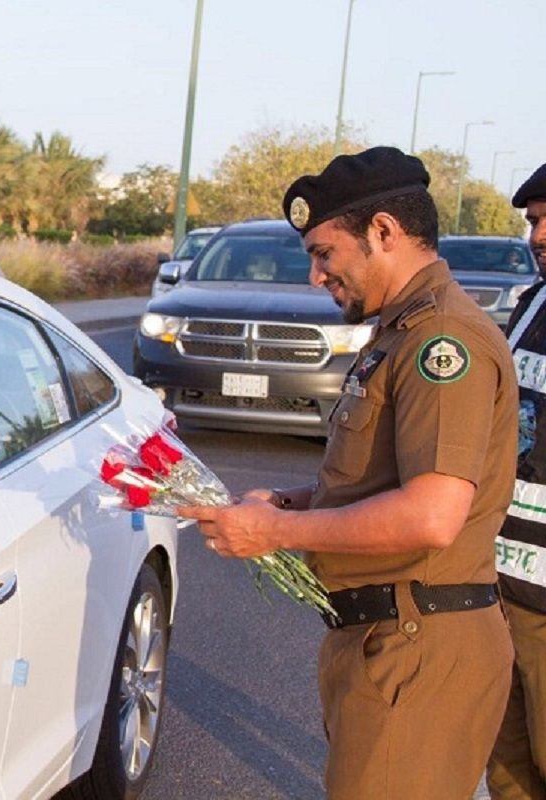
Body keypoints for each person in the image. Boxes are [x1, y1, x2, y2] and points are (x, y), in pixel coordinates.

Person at [178, 146, 518, 799]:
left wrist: (275, 535)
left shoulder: (441, 341)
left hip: (417, 648)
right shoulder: (401, 333)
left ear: (384, 232)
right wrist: (293, 504)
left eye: (325, 253)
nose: (314, 276)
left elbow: (432, 514)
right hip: (386, 640)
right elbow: (386, 479)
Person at [487, 162, 546, 800]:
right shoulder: (531, 306)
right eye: (534, 220)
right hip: (501, 582)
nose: (539, 234)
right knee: (507, 767)